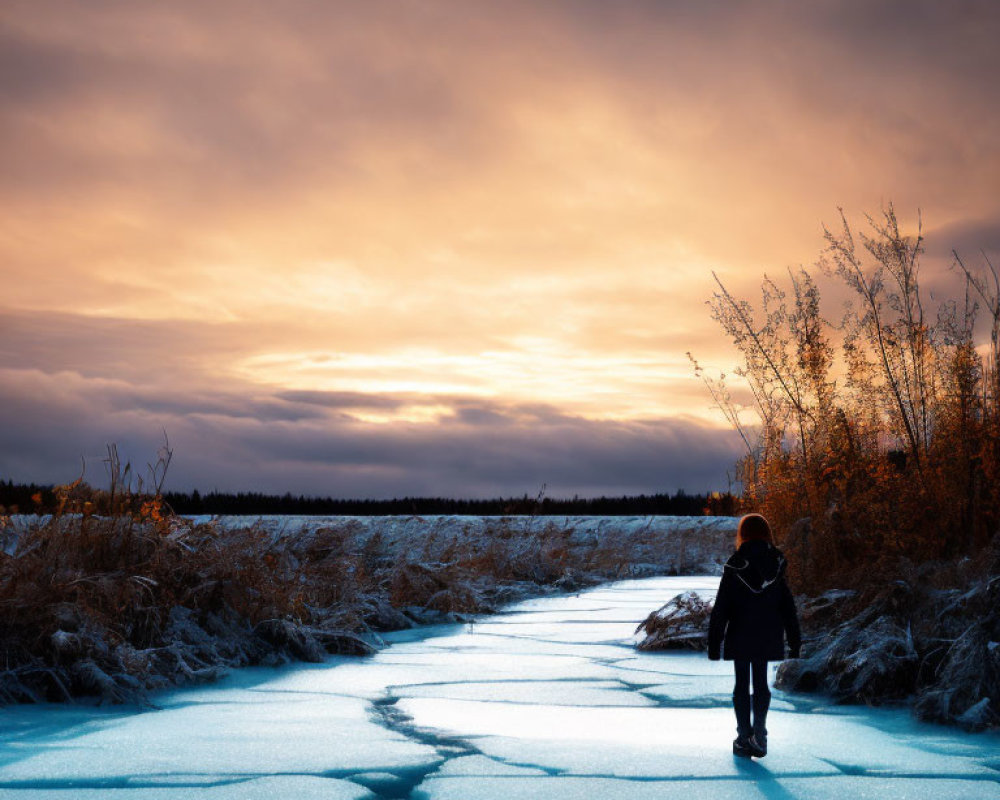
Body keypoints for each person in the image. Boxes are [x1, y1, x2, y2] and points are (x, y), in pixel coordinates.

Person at [708, 513, 801, 758]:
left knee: (741, 684)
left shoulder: (735, 564)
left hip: (740, 632)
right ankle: (759, 735)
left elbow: (721, 607)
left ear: (743, 534)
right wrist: (794, 641)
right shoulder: (777, 563)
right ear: (766, 533)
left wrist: (714, 644)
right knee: (761, 682)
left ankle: (743, 737)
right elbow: (787, 606)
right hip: (768, 632)